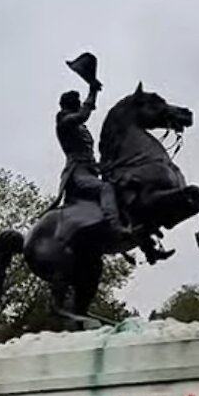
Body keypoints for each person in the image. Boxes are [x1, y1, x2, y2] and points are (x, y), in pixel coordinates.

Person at [55, 85, 174, 264]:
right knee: (107, 188)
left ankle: (149, 248)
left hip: (91, 170)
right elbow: (83, 115)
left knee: (123, 192)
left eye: (80, 103)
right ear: (69, 105)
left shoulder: (78, 127)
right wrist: (93, 92)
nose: (80, 106)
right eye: (77, 103)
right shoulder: (64, 122)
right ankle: (116, 227)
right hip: (77, 174)